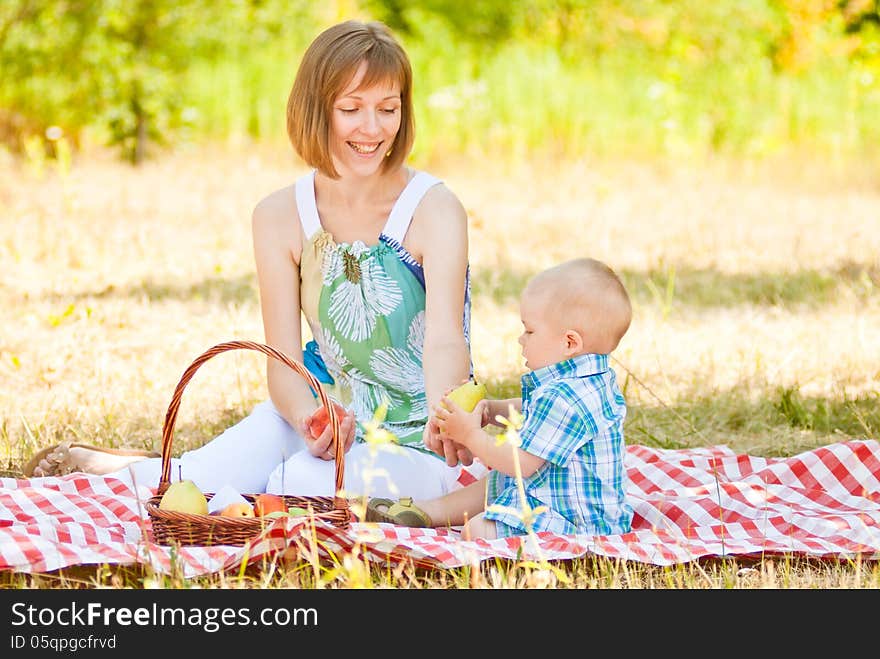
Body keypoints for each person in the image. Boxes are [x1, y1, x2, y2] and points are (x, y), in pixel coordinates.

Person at [23, 19, 486, 501]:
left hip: (418, 441)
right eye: (351, 109)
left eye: (388, 109)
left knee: (300, 484)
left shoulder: (433, 209)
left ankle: (173, 474)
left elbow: (445, 343)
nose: (372, 129)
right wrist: (312, 419)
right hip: (330, 417)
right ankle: (104, 473)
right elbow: (285, 365)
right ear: (315, 111)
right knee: (192, 482)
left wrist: (447, 417)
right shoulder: (279, 216)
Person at [366, 258, 634, 539]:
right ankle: (429, 512)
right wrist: (490, 412)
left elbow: (521, 464)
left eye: (530, 331)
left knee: (478, 528)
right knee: (499, 483)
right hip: (566, 499)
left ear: (569, 343)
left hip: (577, 523)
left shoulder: (565, 398)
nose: (521, 339)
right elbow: (532, 411)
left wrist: (470, 436)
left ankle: (439, 514)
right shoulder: (588, 381)